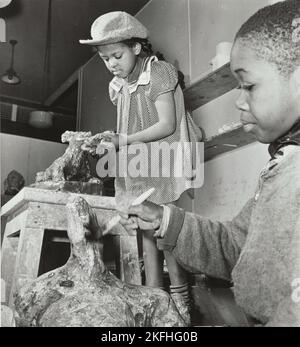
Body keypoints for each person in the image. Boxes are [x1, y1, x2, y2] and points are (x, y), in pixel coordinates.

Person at [118, 0, 300, 327]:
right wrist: (165, 220)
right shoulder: (283, 165)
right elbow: (234, 246)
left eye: (250, 85)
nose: (239, 100)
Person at [79, 11, 202, 319]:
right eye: (105, 59)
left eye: (116, 55)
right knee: (145, 232)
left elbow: (166, 125)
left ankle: (182, 303)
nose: (111, 64)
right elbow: (126, 126)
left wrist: (124, 140)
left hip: (165, 155)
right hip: (140, 161)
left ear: (136, 47)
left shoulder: (158, 72)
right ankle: (156, 301)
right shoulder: (119, 85)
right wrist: (110, 141)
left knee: (165, 229)